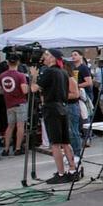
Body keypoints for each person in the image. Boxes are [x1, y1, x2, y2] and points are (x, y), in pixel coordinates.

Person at [32, 49, 79, 183]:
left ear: (53, 58)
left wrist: (34, 76)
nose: (44, 58)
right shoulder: (64, 72)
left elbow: (34, 88)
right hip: (63, 107)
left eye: (47, 55)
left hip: (52, 108)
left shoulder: (49, 72)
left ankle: (60, 173)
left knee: (55, 143)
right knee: (65, 142)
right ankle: (72, 169)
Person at [0, 54, 29, 156]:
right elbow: (24, 90)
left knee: (10, 126)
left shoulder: (2, 75)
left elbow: (1, 90)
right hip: (20, 102)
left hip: (9, 104)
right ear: (18, 62)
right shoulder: (21, 75)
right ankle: (18, 148)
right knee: (20, 126)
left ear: (7, 62)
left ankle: (6, 149)